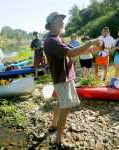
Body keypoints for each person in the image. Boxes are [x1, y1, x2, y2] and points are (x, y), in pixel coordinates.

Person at [44, 11, 101, 145]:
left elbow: (73, 50)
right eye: (59, 20)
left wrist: (89, 49)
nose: (63, 22)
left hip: (64, 77)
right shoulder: (51, 41)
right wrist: (90, 42)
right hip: (62, 79)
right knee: (66, 107)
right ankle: (58, 140)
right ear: (51, 24)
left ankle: (53, 125)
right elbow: (73, 53)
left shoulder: (57, 38)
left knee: (60, 102)